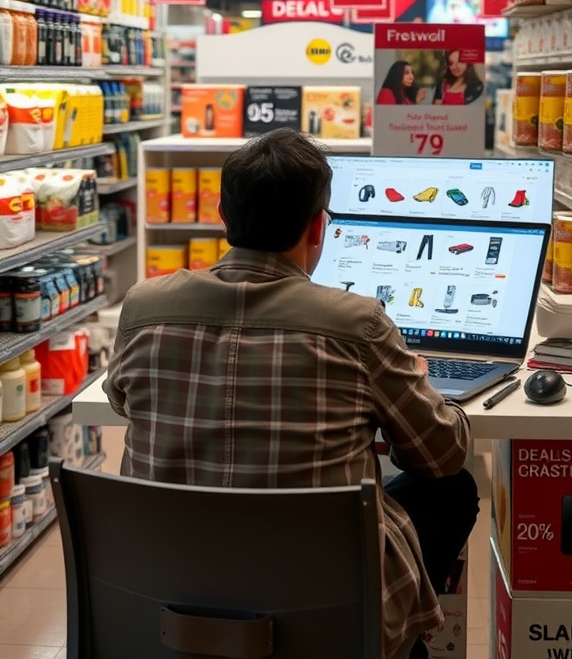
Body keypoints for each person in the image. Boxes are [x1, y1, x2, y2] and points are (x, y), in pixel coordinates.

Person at [104, 129, 478, 659]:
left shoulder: (143, 307)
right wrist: (416, 386)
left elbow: (123, 402)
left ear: (223, 216)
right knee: (451, 488)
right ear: (318, 226)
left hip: (174, 590)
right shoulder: (358, 324)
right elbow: (442, 455)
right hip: (322, 597)